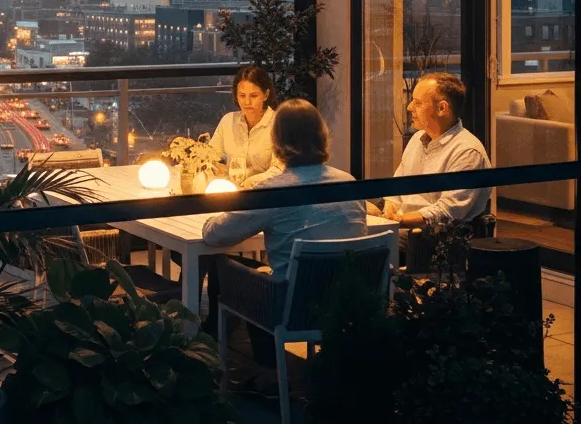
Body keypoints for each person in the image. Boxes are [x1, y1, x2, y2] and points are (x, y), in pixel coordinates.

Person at [202, 99, 366, 397]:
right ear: (322, 136)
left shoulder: (274, 190)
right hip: (350, 302)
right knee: (272, 272)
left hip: (292, 307)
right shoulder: (350, 183)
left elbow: (215, 235)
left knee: (224, 268)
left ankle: (267, 376)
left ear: (276, 142)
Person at [366, 72, 491, 230]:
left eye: (417, 103)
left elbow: (447, 212)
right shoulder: (417, 139)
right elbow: (396, 187)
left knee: (367, 246)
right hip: (402, 223)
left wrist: (397, 220)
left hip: (433, 236)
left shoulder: (467, 152)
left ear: (442, 108)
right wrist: (389, 209)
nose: (409, 107)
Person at [209, 65, 278, 188]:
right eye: (242, 96)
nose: (247, 102)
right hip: (230, 191)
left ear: (266, 95)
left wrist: (249, 184)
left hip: (264, 194)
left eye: (253, 96)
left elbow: (278, 171)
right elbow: (210, 157)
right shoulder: (228, 121)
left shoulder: (278, 125)